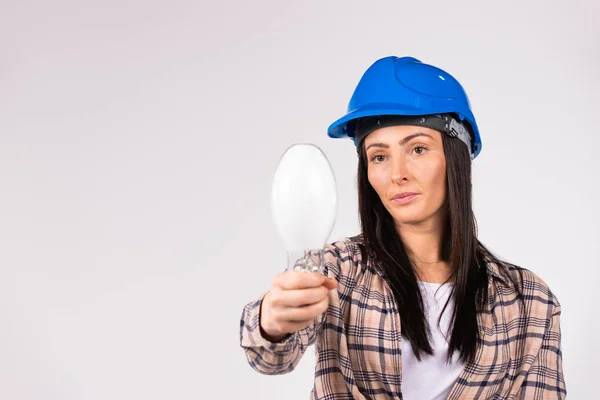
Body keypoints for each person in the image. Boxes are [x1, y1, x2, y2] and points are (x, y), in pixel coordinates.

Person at [239, 56, 566, 399]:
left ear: (456, 157)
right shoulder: (339, 271)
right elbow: (270, 357)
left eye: (418, 149)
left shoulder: (530, 301)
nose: (397, 173)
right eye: (379, 156)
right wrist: (270, 323)